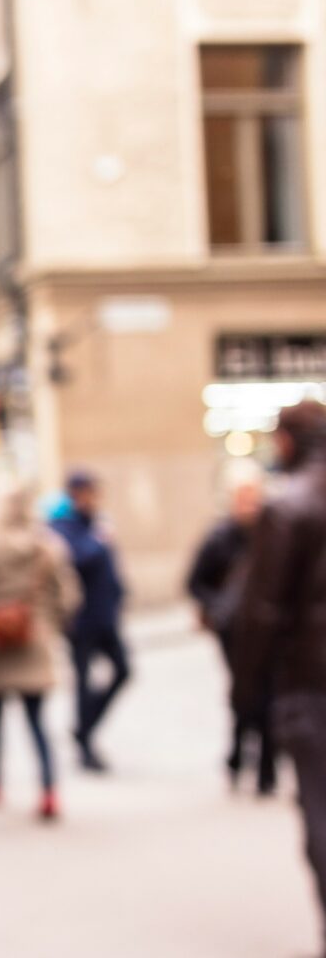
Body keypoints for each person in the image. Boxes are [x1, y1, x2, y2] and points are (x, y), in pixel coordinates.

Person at [233, 399, 326, 953]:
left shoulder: (289, 506)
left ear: (288, 442)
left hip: (310, 682)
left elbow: (262, 611)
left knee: (320, 804)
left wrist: (246, 688)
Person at [0, 475, 82, 822]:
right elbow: (68, 595)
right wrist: (50, 624)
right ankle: (48, 789)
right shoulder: (46, 545)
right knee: (37, 721)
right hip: (35, 639)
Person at [187, 466, 274, 794]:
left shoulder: (275, 533)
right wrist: (219, 606)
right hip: (233, 631)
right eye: (243, 497)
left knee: (267, 695)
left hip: (267, 629)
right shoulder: (219, 538)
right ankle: (238, 757)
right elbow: (195, 582)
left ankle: (266, 770)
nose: (249, 504)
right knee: (244, 694)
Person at [50, 468, 129, 772]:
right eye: (89, 492)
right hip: (80, 621)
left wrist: (121, 594)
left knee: (123, 671)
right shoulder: (62, 526)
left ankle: (84, 726)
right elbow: (77, 558)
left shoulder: (94, 523)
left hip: (105, 616)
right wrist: (98, 540)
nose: (94, 499)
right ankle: (84, 742)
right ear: (76, 494)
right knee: (82, 682)